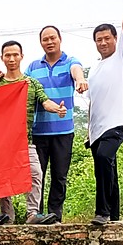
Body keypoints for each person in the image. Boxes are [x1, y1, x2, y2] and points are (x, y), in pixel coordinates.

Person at [0, 40, 67, 223]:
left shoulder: (30, 83)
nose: (11, 59)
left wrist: (58, 109)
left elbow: (44, 101)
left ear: (21, 57)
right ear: (2, 58)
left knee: (35, 173)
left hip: (25, 140)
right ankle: (7, 217)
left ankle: (32, 213)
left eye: (15, 54)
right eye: (7, 55)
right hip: (1, 142)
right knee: (3, 180)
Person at [86, 0, 123, 225]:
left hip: (115, 125)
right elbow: (93, 103)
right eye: (99, 39)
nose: (103, 42)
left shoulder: (122, 57)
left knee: (105, 161)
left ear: (116, 39)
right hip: (96, 130)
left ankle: (103, 213)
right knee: (108, 170)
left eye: (107, 38)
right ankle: (115, 217)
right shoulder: (94, 68)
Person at [25, 25, 88, 224]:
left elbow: (77, 71)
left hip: (63, 131)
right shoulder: (33, 67)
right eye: (45, 39)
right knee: (38, 176)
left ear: (60, 39)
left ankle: (56, 215)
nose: (50, 42)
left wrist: (80, 80)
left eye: (53, 38)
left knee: (60, 176)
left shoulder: (70, 61)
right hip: (38, 131)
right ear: (41, 43)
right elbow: (19, 83)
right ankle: (38, 215)